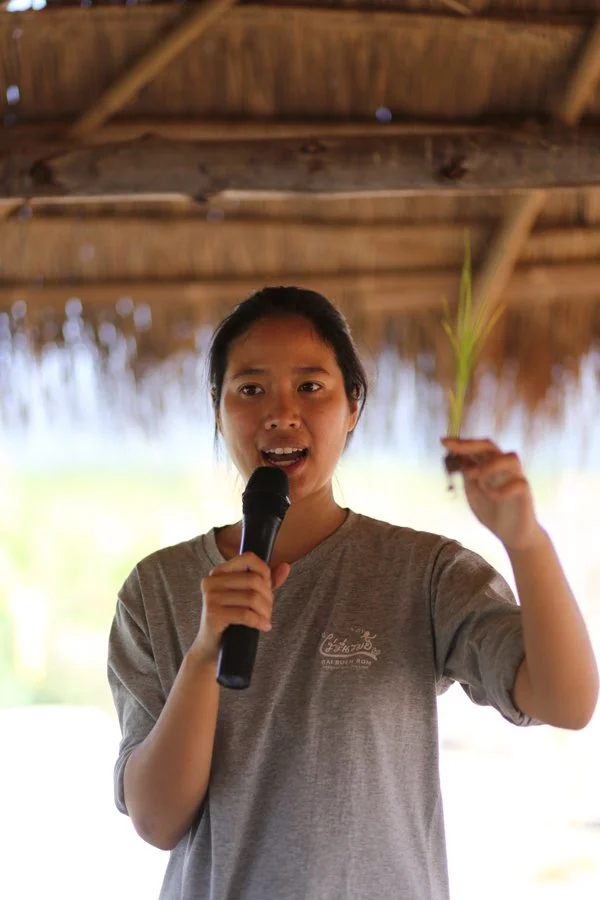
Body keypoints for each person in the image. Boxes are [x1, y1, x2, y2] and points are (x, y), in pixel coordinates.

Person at [107, 286, 598, 900]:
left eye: (311, 387)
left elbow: (568, 702)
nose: (281, 412)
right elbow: (157, 821)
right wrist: (205, 652)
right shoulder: (156, 588)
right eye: (251, 389)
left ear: (353, 407)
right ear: (217, 406)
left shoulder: (424, 572)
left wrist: (527, 543)